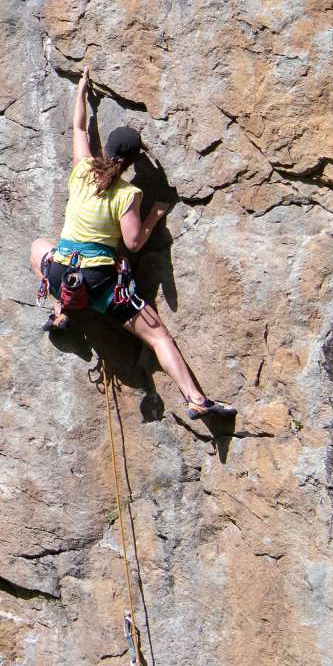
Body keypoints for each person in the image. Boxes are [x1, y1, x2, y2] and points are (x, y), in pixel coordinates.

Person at [32, 65, 235, 422]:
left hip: (63, 270)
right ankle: (196, 399)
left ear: (107, 149)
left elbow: (78, 127)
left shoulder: (82, 171)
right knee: (158, 337)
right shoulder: (128, 194)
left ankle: (61, 311)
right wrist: (155, 215)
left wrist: (81, 89)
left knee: (37, 247)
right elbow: (134, 242)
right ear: (131, 161)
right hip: (99, 283)